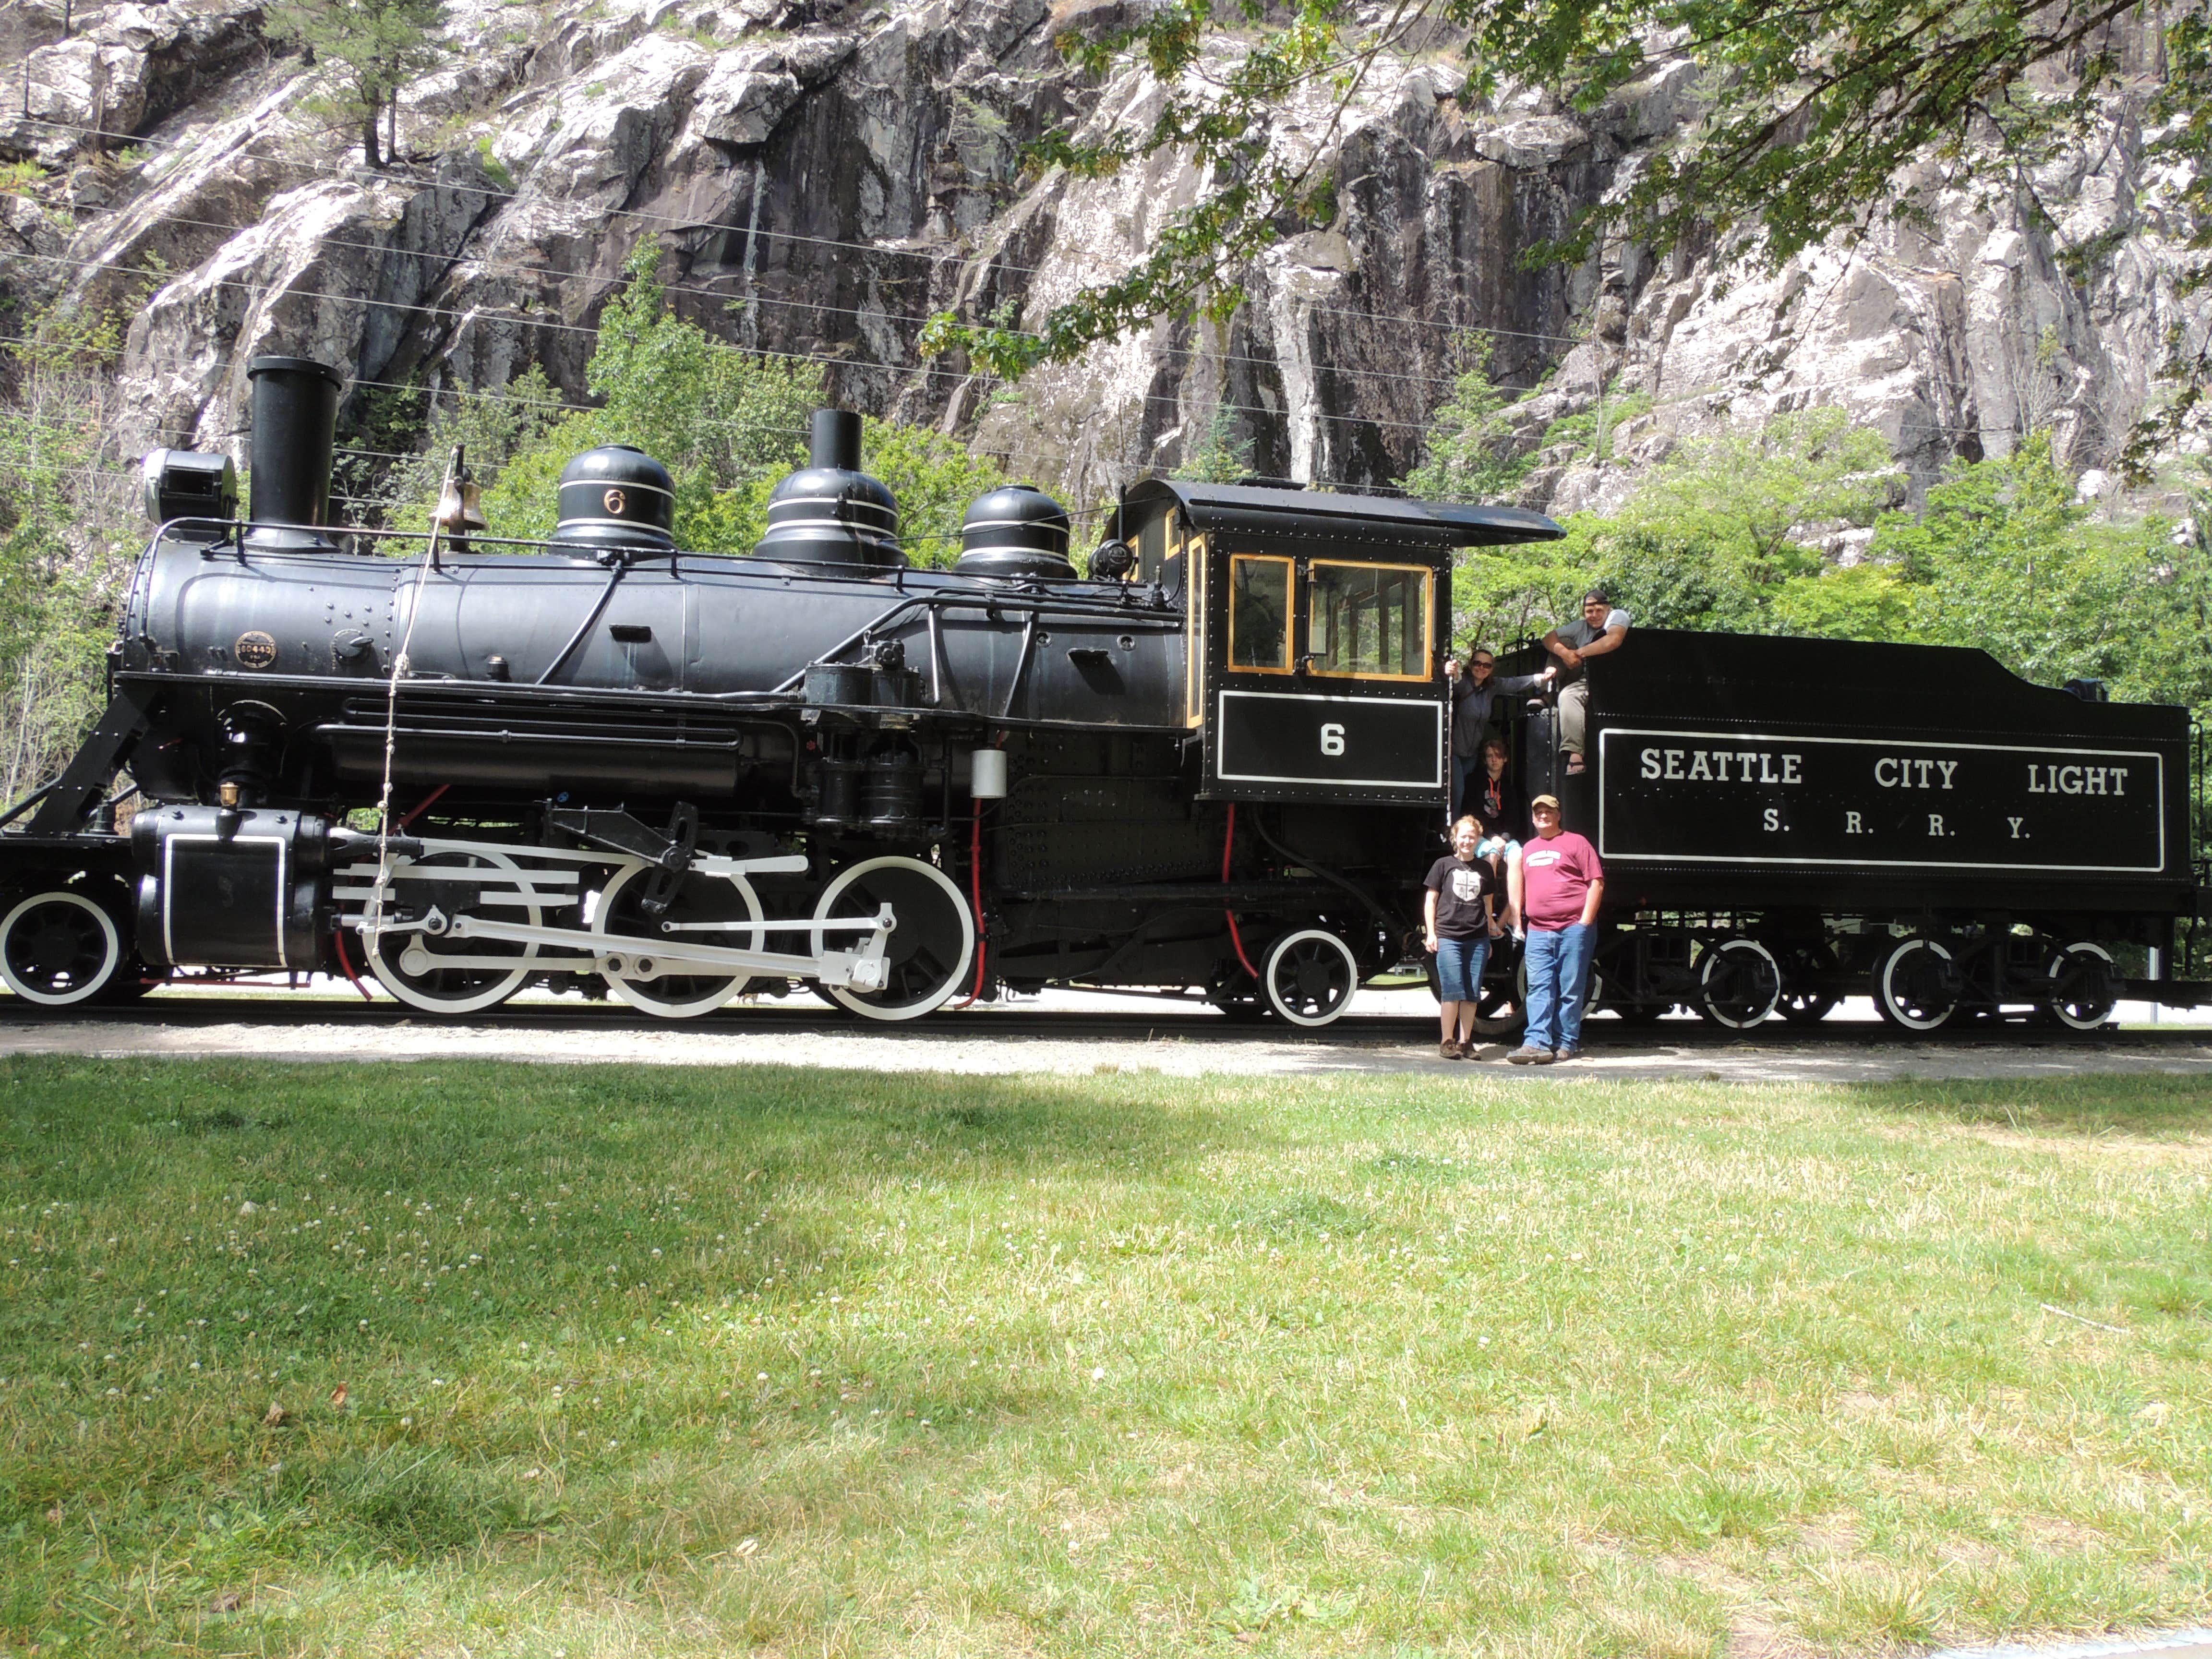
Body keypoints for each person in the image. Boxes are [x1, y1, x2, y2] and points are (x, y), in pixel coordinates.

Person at [1505, 794, 1604, 1064]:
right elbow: (1519, 889)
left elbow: (1596, 882)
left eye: (1549, 812)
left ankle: (1566, 1042)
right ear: (1533, 817)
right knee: (1538, 987)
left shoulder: (1576, 842)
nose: (1543, 816)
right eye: (1538, 812)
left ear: (1558, 815)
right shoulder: (1528, 849)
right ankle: (1536, 1042)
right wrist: (1517, 921)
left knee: (1570, 988)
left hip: (1573, 928)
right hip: (1538, 929)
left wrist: (1585, 921)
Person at [1424, 814, 1504, 1060]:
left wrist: (1490, 933)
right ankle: (1447, 1042)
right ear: (1455, 839)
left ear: (1478, 839)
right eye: (1463, 836)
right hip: (1449, 935)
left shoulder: (1484, 869)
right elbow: (1431, 900)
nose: (1467, 841)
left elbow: (1487, 904)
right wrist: (1431, 933)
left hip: (1477, 938)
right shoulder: (1443, 865)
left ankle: (1466, 1042)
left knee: (1471, 993)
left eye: (1472, 836)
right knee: (1452, 990)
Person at [1444, 647, 1551, 816]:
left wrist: (1541, 678)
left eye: (1487, 665)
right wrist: (1451, 672)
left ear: (1492, 669)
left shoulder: (1491, 687)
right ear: (1470, 664)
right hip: (1454, 751)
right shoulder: (1464, 683)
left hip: (1471, 754)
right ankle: (1453, 832)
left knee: (1469, 794)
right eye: (1477, 663)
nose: (1481, 668)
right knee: (1458, 793)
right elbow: (1456, 682)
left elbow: (1514, 684)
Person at [1540, 591, 1632, 773]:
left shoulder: (1618, 616)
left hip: (1612, 679)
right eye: (1590, 611)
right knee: (1568, 692)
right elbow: (1548, 638)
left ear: (1608, 609)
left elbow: (1613, 640)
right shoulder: (1580, 627)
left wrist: (1579, 653)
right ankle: (1575, 753)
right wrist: (1565, 653)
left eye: (1599, 610)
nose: (1595, 615)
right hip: (1584, 680)